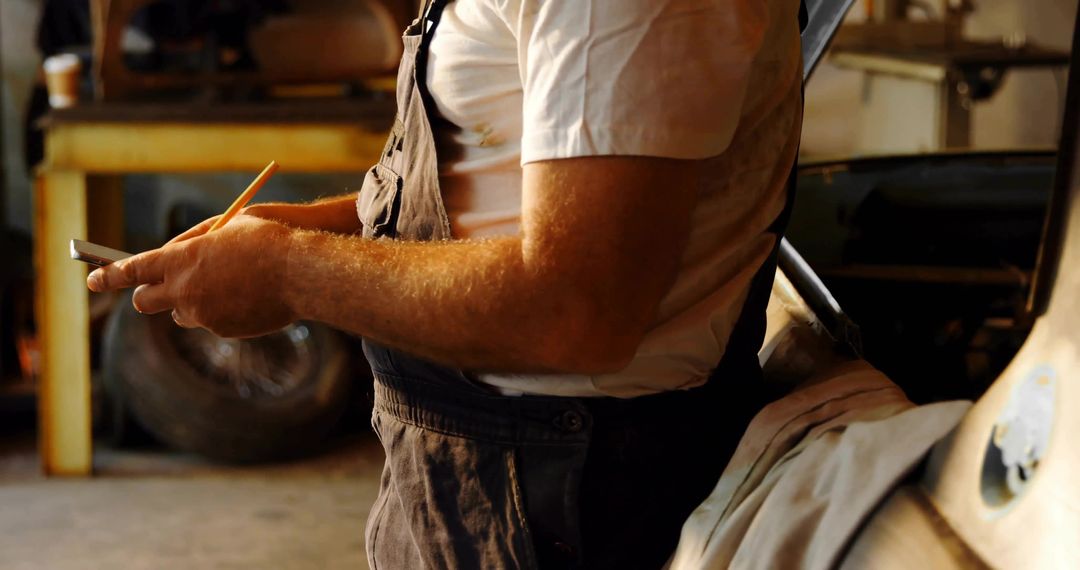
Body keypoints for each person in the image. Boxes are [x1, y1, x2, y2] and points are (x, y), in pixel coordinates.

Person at [88, 0, 805, 566]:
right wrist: (302, 234)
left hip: (564, 491)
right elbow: (486, 185)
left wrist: (288, 270)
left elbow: (574, 310)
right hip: (482, 459)